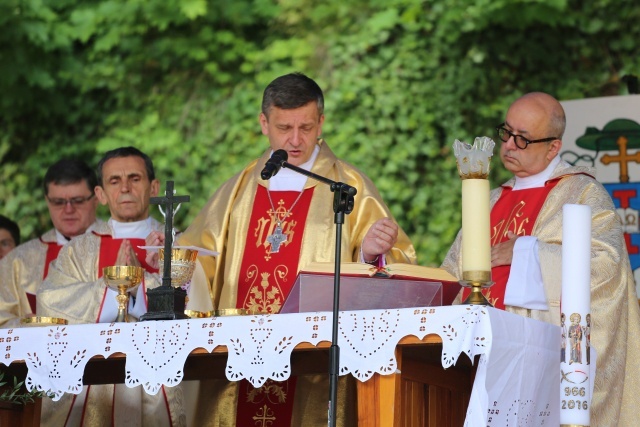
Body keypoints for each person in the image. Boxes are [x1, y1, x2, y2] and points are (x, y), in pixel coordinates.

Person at [170, 72, 416, 426]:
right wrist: (174, 263)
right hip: (238, 360)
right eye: (285, 127)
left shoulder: (347, 187)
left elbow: (398, 263)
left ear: (321, 124)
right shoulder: (238, 190)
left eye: (306, 127)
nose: (296, 139)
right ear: (263, 123)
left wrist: (369, 254)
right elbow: (196, 262)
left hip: (313, 364)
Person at [441, 92, 640, 425]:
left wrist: (525, 253)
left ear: (553, 147)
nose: (509, 145)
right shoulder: (488, 200)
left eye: (523, 139)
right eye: (506, 132)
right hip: (474, 357)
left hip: (539, 359)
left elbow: (608, 268)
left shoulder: (581, 193)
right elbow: (451, 273)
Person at [37, 147, 204, 427]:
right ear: (101, 194)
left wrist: (141, 285)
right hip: (92, 384)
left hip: (161, 380)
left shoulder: (177, 246)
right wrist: (114, 288)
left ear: (153, 188)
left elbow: (199, 306)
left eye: (134, 178)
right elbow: (49, 301)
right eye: (114, 181)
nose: (125, 187)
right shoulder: (80, 249)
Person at [0, 159, 102, 328]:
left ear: (97, 198)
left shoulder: (119, 244)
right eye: (58, 202)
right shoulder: (18, 260)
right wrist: (29, 323)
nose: (68, 209)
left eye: (77, 200)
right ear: (47, 201)